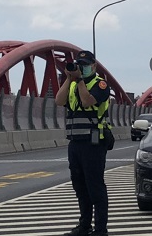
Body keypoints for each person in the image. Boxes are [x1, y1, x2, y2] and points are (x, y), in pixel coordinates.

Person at [55, 50, 111, 236]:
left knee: (95, 187)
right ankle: (84, 226)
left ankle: (100, 229)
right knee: (80, 187)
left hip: (93, 143)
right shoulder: (72, 84)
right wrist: (69, 78)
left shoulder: (100, 84)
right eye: (80, 65)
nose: (82, 68)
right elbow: (58, 100)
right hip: (75, 144)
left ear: (94, 66)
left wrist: (79, 81)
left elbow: (87, 102)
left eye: (86, 65)